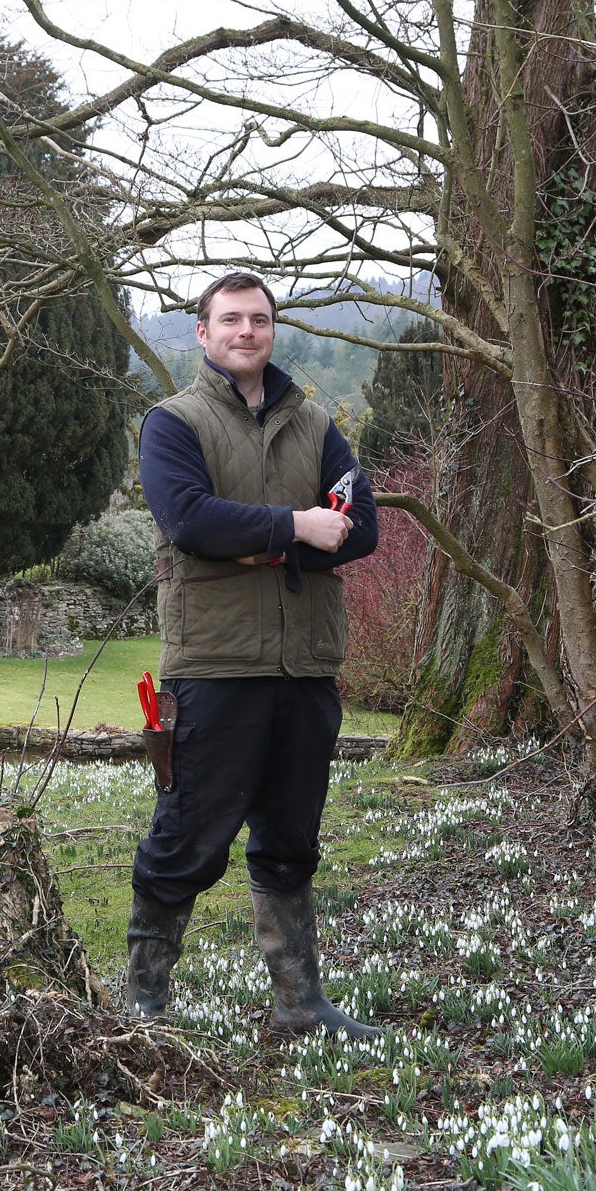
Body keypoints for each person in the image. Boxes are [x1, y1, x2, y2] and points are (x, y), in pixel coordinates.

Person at [125, 271, 380, 1038]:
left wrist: (266, 545)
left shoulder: (317, 426)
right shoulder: (172, 424)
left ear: (274, 330)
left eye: (259, 319)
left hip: (306, 665)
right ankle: (142, 1003)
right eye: (230, 319)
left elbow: (360, 525)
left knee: (292, 838)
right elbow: (192, 520)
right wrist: (300, 529)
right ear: (202, 333)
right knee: (188, 837)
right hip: (215, 664)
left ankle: (301, 1005)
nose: (246, 331)